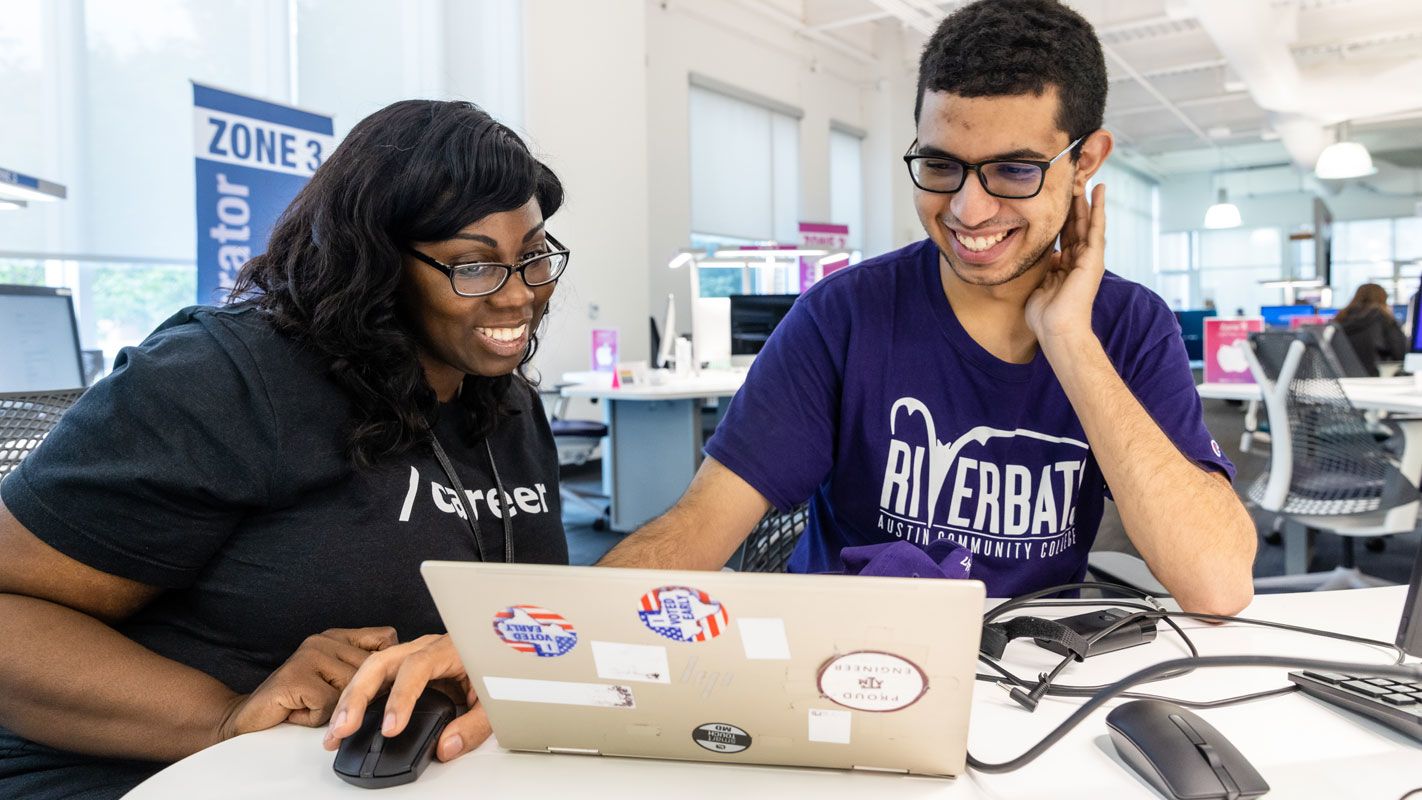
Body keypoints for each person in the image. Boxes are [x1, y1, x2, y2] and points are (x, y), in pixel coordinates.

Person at [325, 0, 1258, 762]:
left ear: (1085, 160)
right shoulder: (845, 318)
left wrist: (1070, 341)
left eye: (1013, 170)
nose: (968, 209)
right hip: (842, 686)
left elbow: (1215, 582)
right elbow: (699, 528)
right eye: (940, 166)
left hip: (1031, 693)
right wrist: (516, 648)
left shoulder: (1127, 326)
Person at [0, 100, 570, 799]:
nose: (519, 297)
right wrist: (222, 717)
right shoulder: (221, 380)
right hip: (150, 773)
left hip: (401, 769)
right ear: (379, 264)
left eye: (533, 256)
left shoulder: (504, 402)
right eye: (473, 266)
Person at [1334, 283, 1407, 376]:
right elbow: (1400, 353)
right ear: (1383, 299)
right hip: (1376, 377)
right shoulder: (1385, 319)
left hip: (1341, 378)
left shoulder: (1339, 319)